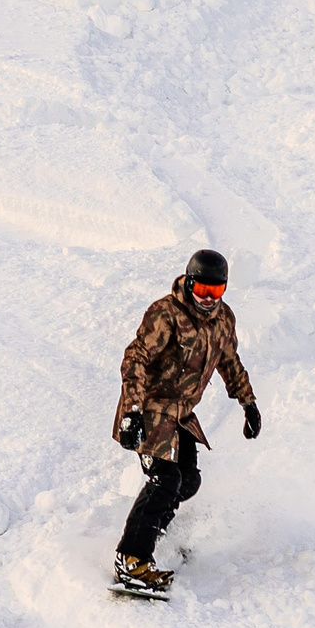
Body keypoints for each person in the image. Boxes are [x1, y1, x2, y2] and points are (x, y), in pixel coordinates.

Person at [110, 249, 260, 596]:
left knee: (187, 481)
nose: (209, 300)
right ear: (189, 283)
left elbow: (230, 362)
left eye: (216, 292)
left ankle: (155, 538)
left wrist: (248, 402)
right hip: (150, 408)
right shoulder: (166, 314)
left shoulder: (224, 320)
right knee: (166, 478)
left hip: (181, 414)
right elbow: (136, 358)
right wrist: (132, 411)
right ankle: (131, 558)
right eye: (202, 291)